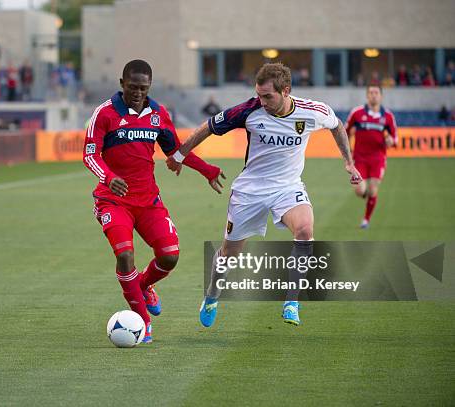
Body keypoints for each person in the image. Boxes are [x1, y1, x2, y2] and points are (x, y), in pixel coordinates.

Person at [166, 62, 361, 326]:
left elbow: (337, 125)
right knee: (229, 255)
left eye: (267, 96)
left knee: (305, 230)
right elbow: (209, 126)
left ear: (286, 91)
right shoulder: (249, 111)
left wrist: (348, 161)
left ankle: (292, 302)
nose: (262, 101)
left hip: (288, 186)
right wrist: (179, 154)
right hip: (250, 191)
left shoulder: (312, 111)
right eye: (259, 95)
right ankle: (212, 295)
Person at [83, 60, 224, 343]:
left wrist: (206, 169)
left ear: (149, 87)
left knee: (170, 256)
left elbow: (175, 150)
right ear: (121, 83)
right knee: (125, 255)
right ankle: (142, 320)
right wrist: (109, 178)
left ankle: (144, 286)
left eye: (143, 88)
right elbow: (90, 155)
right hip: (114, 201)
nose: (137, 92)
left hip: (148, 201)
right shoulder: (104, 114)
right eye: (132, 87)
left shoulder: (158, 113)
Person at [345, 85, 397, 229]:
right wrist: (348, 149)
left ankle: (366, 219)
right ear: (367, 95)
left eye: (376, 93)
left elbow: (394, 138)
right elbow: (345, 132)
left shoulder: (387, 116)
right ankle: (367, 195)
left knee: (373, 190)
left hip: (378, 158)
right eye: (371, 93)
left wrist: (390, 141)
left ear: (381, 96)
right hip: (359, 158)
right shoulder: (357, 113)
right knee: (359, 190)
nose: (373, 95)